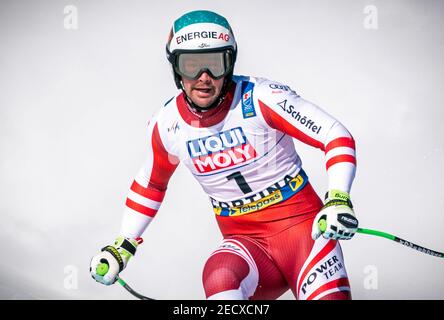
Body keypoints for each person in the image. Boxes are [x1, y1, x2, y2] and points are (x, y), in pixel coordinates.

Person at [90, 10, 358, 300]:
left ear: (230, 63)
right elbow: (152, 184)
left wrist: (338, 197)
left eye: (215, 64)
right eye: (191, 65)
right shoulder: (167, 124)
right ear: (175, 68)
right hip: (245, 246)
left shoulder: (261, 97)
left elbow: (334, 134)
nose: (203, 78)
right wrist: (122, 245)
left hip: (304, 235)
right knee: (219, 276)